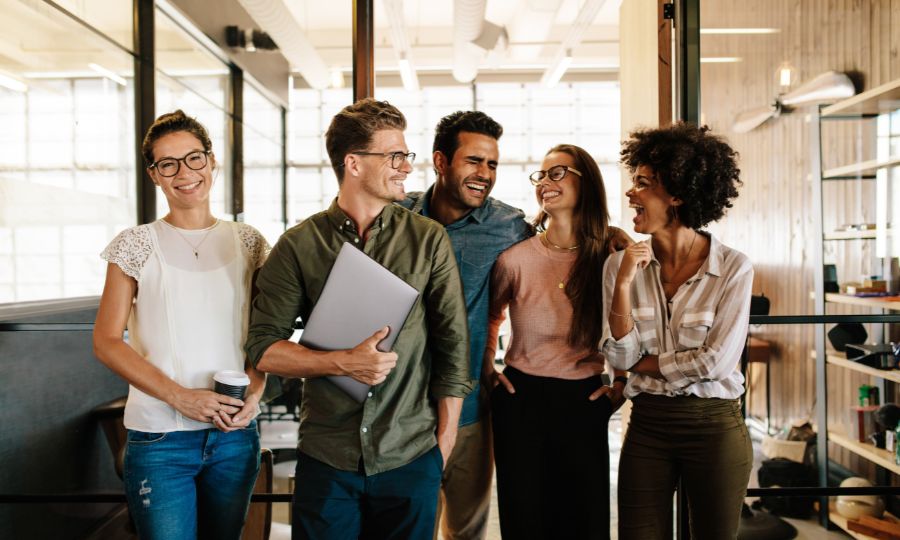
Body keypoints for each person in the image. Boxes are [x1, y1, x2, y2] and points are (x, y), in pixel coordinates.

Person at [244, 98, 472, 540]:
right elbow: (264, 348)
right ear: (353, 163)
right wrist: (341, 362)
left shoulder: (428, 240)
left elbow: (453, 347)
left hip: (410, 453)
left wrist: (442, 447)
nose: (406, 166)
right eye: (395, 156)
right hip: (328, 457)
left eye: (406, 154)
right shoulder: (298, 245)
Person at [93, 110, 268, 540]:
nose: (184, 173)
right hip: (159, 439)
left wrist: (255, 391)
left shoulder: (250, 242)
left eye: (193, 158)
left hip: (233, 436)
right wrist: (181, 397)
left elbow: (268, 334)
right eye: (167, 164)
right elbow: (107, 341)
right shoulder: (134, 244)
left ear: (211, 162)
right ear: (154, 175)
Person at [602, 122, 753, 540]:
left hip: (715, 426)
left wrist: (641, 364)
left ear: (679, 193)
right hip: (647, 425)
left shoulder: (733, 268)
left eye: (643, 183)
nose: (631, 193)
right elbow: (616, 357)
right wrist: (624, 283)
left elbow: (717, 362)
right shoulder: (620, 266)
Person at [483, 144, 628, 540]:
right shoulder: (514, 259)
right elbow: (491, 319)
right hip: (521, 398)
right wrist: (488, 371)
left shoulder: (611, 254)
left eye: (557, 173)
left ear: (587, 182)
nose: (545, 183)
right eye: (541, 176)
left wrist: (622, 384)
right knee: (525, 520)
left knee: (585, 520)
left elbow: (633, 328)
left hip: (583, 400)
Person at [400, 111, 532, 540]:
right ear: (440, 162)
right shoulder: (396, 217)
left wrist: (611, 237)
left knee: (466, 530)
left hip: (472, 407)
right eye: (473, 161)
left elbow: (565, 242)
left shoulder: (507, 226)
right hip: (399, 411)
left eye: (492, 164)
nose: (485, 174)